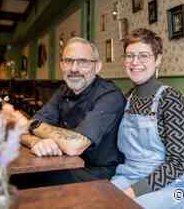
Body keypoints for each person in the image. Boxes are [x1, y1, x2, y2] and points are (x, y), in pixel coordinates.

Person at [12, 37, 125, 188]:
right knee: (17, 175)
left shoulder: (109, 96)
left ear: (97, 67)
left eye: (83, 62)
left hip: (99, 173)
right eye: (68, 61)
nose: (74, 68)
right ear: (61, 65)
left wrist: (35, 125)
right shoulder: (64, 90)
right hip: (67, 163)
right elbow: (22, 131)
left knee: (32, 179)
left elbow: (74, 145)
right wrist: (36, 142)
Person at [111, 28, 184, 209]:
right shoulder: (127, 99)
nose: (135, 62)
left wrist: (130, 193)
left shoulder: (171, 99)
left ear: (158, 60)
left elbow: (176, 164)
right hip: (127, 177)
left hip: (172, 186)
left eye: (143, 56)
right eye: (129, 56)